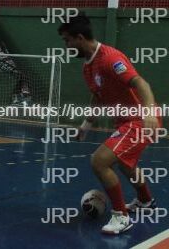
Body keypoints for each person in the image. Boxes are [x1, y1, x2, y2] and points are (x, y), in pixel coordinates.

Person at [58, 13, 161, 234]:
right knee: (125, 164)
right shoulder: (88, 66)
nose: (66, 46)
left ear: (79, 37)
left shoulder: (110, 58)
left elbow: (140, 83)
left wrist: (150, 113)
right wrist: (86, 126)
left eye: (67, 40)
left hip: (139, 120)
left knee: (99, 161)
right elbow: (98, 96)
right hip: (126, 121)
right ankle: (146, 202)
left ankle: (121, 216)